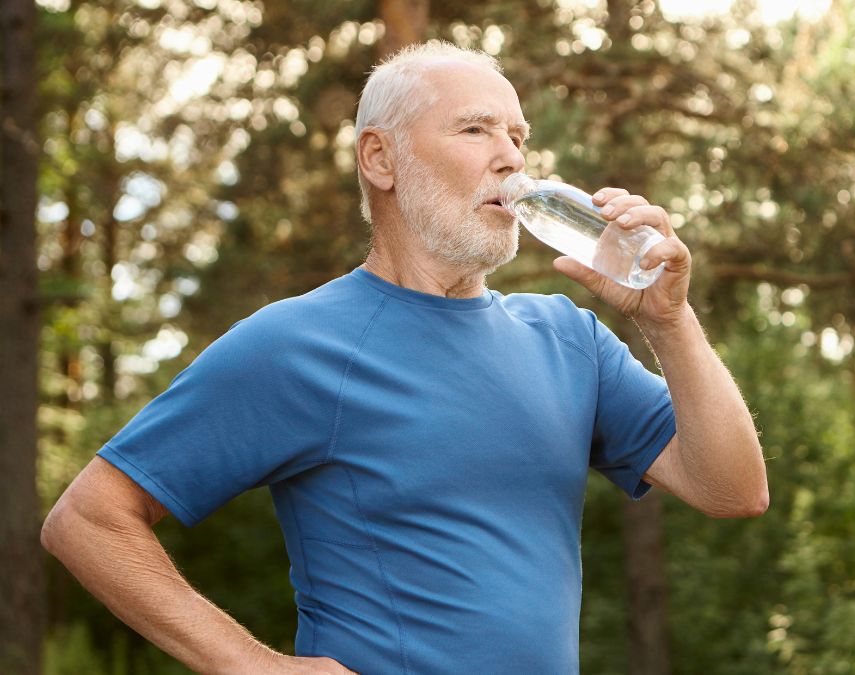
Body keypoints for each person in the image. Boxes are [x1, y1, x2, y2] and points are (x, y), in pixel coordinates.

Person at [41, 40, 768, 674]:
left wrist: (670, 323)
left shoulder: (568, 338)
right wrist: (251, 663)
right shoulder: (297, 343)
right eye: (476, 129)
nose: (511, 156)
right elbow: (88, 519)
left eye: (518, 135)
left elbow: (733, 488)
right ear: (380, 158)